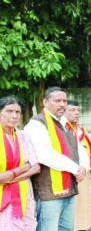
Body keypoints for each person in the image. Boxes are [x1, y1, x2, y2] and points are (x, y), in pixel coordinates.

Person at [24, 87, 89, 231]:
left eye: (64, 101)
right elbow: (45, 154)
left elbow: (80, 148)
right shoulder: (36, 123)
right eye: (57, 101)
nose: (62, 104)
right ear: (45, 102)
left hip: (70, 189)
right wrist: (76, 169)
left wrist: (84, 167)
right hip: (49, 192)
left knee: (66, 229)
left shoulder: (66, 123)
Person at [0, 96, 40, 230]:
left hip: (23, 194)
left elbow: (35, 167)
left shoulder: (23, 136)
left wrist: (10, 178)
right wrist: (23, 168)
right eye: (9, 111)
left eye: (17, 112)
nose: (14, 116)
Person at [64, 100, 91, 231]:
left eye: (78, 110)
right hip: (70, 176)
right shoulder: (62, 130)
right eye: (72, 110)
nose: (76, 113)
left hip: (84, 176)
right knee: (73, 212)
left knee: (85, 209)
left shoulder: (81, 130)